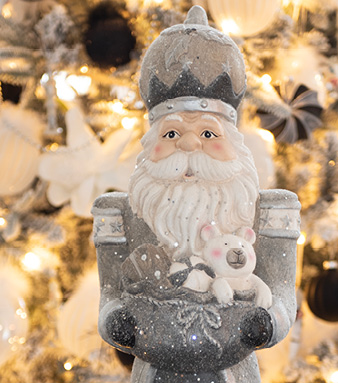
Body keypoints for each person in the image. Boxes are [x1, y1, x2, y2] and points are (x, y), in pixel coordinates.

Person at [92, 6, 300, 382]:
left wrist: (267, 322)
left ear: (233, 143)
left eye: (208, 134)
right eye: (172, 134)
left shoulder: (268, 210)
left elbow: (283, 290)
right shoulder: (120, 214)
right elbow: (109, 296)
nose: (189, 143)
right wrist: (117, 323)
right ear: (152, 142)